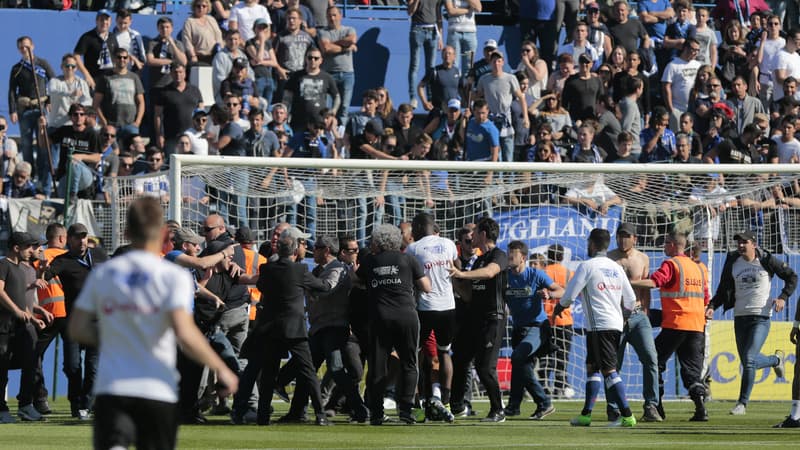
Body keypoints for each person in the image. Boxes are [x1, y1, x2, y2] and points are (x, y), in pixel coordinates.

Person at [67, 197, 238, 449]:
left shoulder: (104, 274)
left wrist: (119, 337)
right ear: (162, 233)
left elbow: (77, 328)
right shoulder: (172, 277)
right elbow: (186, 333)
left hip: (114, 388)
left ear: (126, 232)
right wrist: (222, 368)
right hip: (157, 388)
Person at [232, 227, 332, 426]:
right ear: (295, 251)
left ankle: (263, 416)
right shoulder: (301, 270)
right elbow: (322, 287)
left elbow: (262, 287)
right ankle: (320, 415)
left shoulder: (267, 269)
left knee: (269, 372)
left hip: (270, 327)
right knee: (308, 370)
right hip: (294, 327)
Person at [554, 228, 637, 428]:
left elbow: (570, 294)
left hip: (600, 325)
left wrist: (559, 307)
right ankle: (586, 414)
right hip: (612, 324)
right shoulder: (615, 267)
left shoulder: (588, 266)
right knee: (592, 366)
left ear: (591, 243)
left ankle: (627, 416)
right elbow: (632, 299)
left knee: (609, 370)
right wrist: (623, 317)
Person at [707, 230, 796, 415]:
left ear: (753, 244)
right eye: (738, 242)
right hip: (740, 318)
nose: (740, 245)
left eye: (744, 242)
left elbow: (792, 277)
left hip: (761, 318)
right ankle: (775, 360)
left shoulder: (766, 260)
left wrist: (783, 298)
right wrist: (712, 306)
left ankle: (742, 404)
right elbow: (723, 288)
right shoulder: (733, 261)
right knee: (749, 361)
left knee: (748, 360)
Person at [356, 224, 432, 424]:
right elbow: (427, 287)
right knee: (409, 363)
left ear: (378, 242)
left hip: (380, 317)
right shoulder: (408, 259)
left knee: (377, 366)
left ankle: (377, 413)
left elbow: (355, 280)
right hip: (406, 316)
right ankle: (406, 410)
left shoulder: (369, 261)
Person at [631, 231, 710, 422]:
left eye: (666, 243)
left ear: (674, 245)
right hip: (697, 325)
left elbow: (655, 282)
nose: (663, 247)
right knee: (691, 371)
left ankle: (656, 408)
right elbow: (706, 298)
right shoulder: (699, 268)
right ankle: (700, 407)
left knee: (654, 362)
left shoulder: (671, 264)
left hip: (676, 323)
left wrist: (630, 282)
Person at [41, 222, 108, 420]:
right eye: (78, 237)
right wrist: (41, 271)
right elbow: (45, 275)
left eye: (84, 236)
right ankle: (75, 400)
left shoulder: (99, 255)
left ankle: (85, 404)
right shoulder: (63, 261)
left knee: (93, 365)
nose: (82, 240)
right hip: (73, 322)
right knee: (72, 366)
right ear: (68, 239)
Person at [448, 217, 508, 423]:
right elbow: (468, 296)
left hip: (493, 318)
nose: (470, 236)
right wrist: (453, 276)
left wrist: (463, 275)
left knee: (484, 367)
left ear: (483, 234)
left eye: (474, 233)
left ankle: (498, 410)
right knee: (460, 358)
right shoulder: (480, 259)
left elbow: (490, 273)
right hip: (475, 319)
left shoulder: (499, 256)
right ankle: (456, 406)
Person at [607, 223, 662, 422]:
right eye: (620, 236)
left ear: (635, 239)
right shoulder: (609, 258)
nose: (623, 240)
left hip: (639, 316)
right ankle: (612, 407)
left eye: (627, 236)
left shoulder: (643, 258)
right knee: (613, 364)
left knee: (651, 358)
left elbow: (646, 288)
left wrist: (645, 311)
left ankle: (651, 406)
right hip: (615, 315)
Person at [406, 212, 458, 422]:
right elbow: (457, 269)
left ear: (418, 228)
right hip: (448, 306)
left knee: (415, 356)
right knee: (445, 353)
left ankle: (416, 404)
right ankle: (445, 401)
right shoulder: (449, 244)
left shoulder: (413, 248)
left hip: (425, 307)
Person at [503, 240, 563, 419]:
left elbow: (560, 290)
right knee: (521, 366)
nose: (509, 258)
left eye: (512, 255)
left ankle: (544, 402)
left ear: (523, 258)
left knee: (518, 358)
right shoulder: (505, 276)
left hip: (537, 327)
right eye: (508, 255)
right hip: (518, 328)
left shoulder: (536, 275)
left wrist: (549, 294)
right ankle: (515, 406)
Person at [0, 231, 49, 423]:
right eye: (28, 247)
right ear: (16, 248)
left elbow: (23, 301)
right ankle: (1, 410)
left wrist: (32, 317)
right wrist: (15, 311)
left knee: (31, 363)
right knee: (1, 368)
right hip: (3, 326)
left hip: (22, 326)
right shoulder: (3, 265)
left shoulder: (22, 268)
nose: (32, 251)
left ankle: (25, 406)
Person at [30, 223, 68, 415]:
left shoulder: (41, 256)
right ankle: (82, 403)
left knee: (35, 357)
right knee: (75, 362)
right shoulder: (71, 257)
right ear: (62, 238)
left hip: (47, 314)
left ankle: (39, 399)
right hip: (69, 314)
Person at [8, 36, 55, 175]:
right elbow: (11, 90)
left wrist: (50, 101)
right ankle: (29, 173)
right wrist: (12, 110)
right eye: (21, 47)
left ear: (32, 46)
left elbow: (53, 82)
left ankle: (42, 174)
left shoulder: (42, 64)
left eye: (26, 46)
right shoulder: (17, 68)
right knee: (26, 144)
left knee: (42, 143)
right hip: (25, 111)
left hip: (40, 109)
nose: (24, 49)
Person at [93, 48, 146, 141]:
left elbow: (141, 102)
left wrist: (137, 122)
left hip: (130, 125)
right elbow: (96, 103)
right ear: (114, 59)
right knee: (113, 153)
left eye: (125, 57)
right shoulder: (105, 78)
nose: (122, 59)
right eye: (119, 57)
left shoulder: (134, 77)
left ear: (128, 59)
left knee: (133, 152)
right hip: (111, 125)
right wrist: (104, 122)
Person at [318, 6, 357, 125]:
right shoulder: (323, 32)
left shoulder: (349, 29)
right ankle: (325, 131)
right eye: (329, 15)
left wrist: (333, 44)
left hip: (347, 74)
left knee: (344, 107)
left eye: (334, 15)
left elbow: (352, 40)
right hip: (328, 74)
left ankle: (341, 133)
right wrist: (345, 47)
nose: (332, 18)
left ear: (340, 16)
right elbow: (326, 48)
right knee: (326, 107)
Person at [406, 0, 444, 108]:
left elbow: (439, 15)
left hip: (432, 30)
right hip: (417, 29)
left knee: (431, 68)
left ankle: (430, 97)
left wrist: (440, 37)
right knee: (414, 65)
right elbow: (410, 12)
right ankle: (413, 97)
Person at [73, 9, 116, 90]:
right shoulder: (87, 37)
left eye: (106, 20)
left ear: (110, 22)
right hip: (94, 80)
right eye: (101, 20)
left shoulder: (113, 37)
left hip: (111, 80)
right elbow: (76, 56)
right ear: (96, 21)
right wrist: (87, 75)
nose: (104, 22)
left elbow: (117, 55)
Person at [146, 17, 188, 91]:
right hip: (157, 83)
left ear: (171, 28)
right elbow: (150, 61)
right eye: (162, 27)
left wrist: (172, 44)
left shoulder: (178, 44)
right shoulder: (152, 43)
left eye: (167, 27)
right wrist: (171, 61)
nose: (165, 30)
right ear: (158, 28)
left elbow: (183, 61)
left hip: (173, 83)